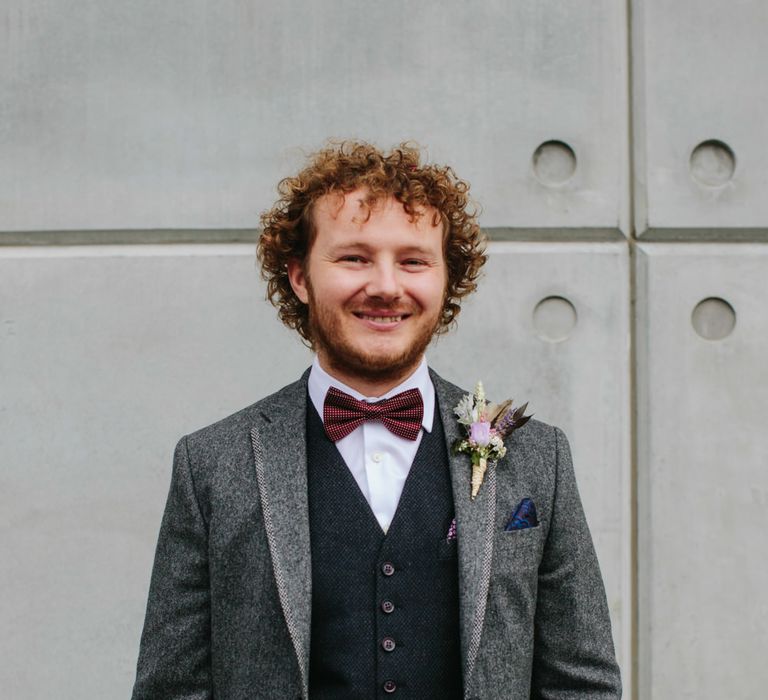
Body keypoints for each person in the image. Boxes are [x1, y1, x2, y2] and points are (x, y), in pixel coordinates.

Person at [131, 141, 622, 699]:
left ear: (445, 279)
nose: (387, 286)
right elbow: (171, 691)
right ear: (299, 277)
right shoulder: (212, 465)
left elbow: (582, 684)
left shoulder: (539, 457)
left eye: (413, 260)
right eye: (354, 258)